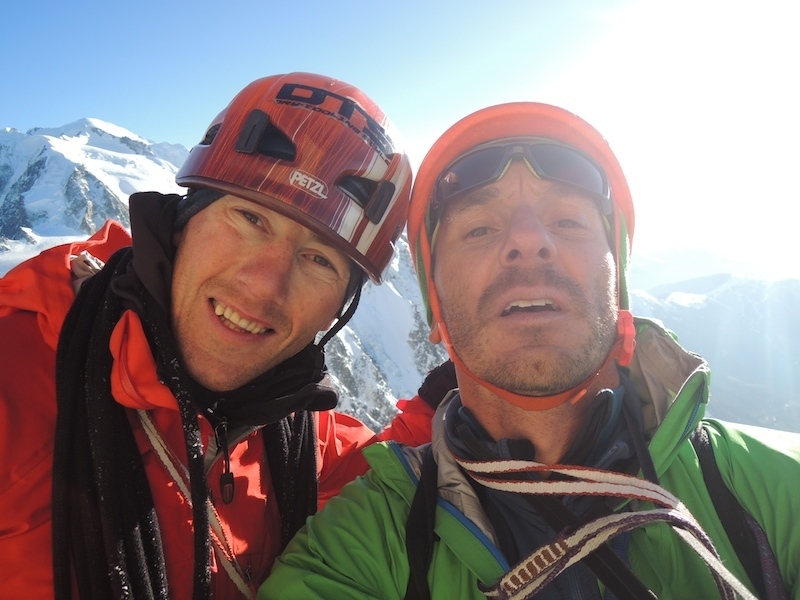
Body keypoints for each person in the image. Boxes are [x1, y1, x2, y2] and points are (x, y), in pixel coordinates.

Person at [260, 102, 800, 599]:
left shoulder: (777, 494)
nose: (528, 238)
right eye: (478, 228)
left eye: (568, 220)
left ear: (620, 289)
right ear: (436, 311)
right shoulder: (358, 550)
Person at [0, 72, 435, 599]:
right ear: (184, 221)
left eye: (318, 258)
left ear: (338, 309)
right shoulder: (18, 377)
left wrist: (451, 401)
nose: (264, 286)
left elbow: (376, 474)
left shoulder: (289, 427)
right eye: (250, 217)